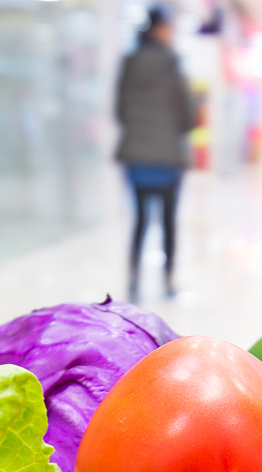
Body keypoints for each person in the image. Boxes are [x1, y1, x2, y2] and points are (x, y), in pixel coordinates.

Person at [116, 8, 195, 299]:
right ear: (160, 29)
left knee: (139, 221)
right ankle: (169, 281)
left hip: (135, 155)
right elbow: (187, 116)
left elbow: (120, 111)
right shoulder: (172, 63)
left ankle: (134, 281)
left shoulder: (130, 62)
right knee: (168, 222)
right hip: (168, 158)